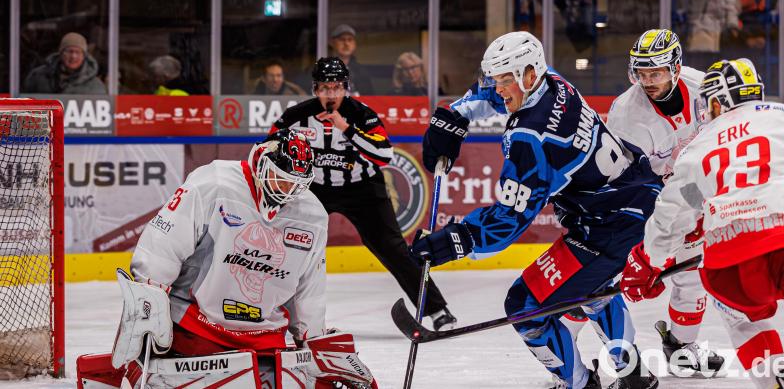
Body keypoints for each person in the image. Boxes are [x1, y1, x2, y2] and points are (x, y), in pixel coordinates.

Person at [415, 31, 660, 389]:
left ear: (529, 74)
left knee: (525, 306)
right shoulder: (554, 82)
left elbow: (507, 224)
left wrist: (453, 241)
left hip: (609, 227)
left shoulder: (533, 137)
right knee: (594, 291)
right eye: (496, 79)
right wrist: (456, 115)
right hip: (633, 200)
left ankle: (579, 384)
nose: (499, 89)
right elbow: (493, 96)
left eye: (505, 80)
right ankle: (634, 374)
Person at [75, 129, 377, 388]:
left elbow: (309, 287)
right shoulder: (214, 182)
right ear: (260, 161)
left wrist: (311, 338)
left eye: (295, 184)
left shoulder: (311, 215)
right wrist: (148, 301)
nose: (286, 190)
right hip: (196, 328)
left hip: (265, 338)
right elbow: (162, 244)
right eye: (280, 179)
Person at [621, 58, 784, 389]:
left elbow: (672, 215)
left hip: (727, 262)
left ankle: (773, 374)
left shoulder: (698, 147)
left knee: (743, 320)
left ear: (716, 102)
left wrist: (646, 262)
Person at [270, 57, 458, 332]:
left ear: (346, 87)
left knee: (392, 248)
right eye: (325, 87)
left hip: (363, 187)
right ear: (315, 89)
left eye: (336, 87)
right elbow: (267, 146)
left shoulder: (362, 114)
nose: (331, 93)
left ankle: (437, 310)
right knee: (289, 245)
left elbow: (384, 154)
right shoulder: (296, 115)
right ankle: (274, 313)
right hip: (314, 188)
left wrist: (345, 128)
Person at [607, 29, 725, 374]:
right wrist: (651, 252)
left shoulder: (703, 87)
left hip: (698, 193)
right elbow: (627, 183)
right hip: (653, 199)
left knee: (692, 277)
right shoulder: (626, 115)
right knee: (610, 271)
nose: (647, 81)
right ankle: (567, 334)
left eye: (655, 72)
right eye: (641, 73)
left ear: (675, 67)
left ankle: (681, 347)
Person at [23, 32, 106, 94]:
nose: (73, 56)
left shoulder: (95, 86)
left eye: (78, 52)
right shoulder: (38, 77)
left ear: (84, 56)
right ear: (61, 53)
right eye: (69, 51)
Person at [329, 24, 375, 95]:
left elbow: (371, 99)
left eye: (350, 40)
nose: (346, 43)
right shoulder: (323, 68)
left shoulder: (362, 72)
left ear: (354, 44)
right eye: (342, 39)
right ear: (332, 43)